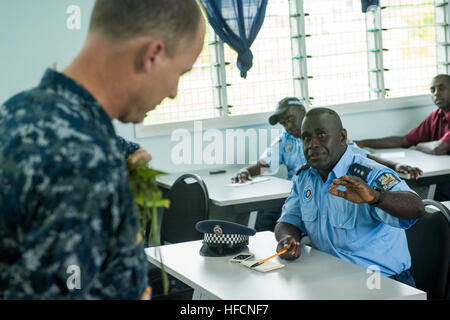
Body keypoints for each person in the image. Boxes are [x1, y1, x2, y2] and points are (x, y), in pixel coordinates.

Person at [0, 0, 205, 299]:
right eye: (181, 73)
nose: (173, 92)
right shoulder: (85, 156)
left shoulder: (17, 112)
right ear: (153, 55)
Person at [274, 108, 424, 287]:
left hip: (381, 284)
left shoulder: (368, 174)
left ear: (342, 137)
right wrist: (287, 239)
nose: (312, 144)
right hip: (331, 280)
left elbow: (417, 208)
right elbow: (289, 221)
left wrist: (375, 197)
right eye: (306, 138)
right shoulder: (305, 177)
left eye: (321, 135)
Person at [232, 97, 421, 232]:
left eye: (289, 119)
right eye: (283, 123)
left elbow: (365, 157)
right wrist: (246, 171)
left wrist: (394, 167)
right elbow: (265, 163)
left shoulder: (338, 143)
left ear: (303, 113)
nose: (288, 126)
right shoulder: (286, 141)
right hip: (303, 193)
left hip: (338, 192)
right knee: (268, 218)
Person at [355, 74, 450, 200]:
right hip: (443, 175)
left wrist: (419, 146)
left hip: (446, 176)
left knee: (424, 193)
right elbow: (404, 140)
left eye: (441, 88)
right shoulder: (436, 115)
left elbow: (439, 148)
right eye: (432, 90)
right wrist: (363, 142)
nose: (436, 93)